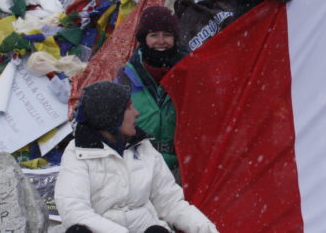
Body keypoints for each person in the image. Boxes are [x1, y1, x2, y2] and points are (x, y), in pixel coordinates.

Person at [55, 81, 218, 233]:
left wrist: (208, 230)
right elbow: (74, 212)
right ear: (111, 117)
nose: (137, 113)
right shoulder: (78, 153)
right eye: (128, 108)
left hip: (144, 228)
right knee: (78, 230)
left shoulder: (143, 147)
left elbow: (171, 203)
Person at [115, 6, 187, 173]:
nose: (161, 41)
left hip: (182, 168)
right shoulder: (126, 78)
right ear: (143, 38)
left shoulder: (189, 73)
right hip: (139, 167)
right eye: (154, 35)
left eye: (167, 35)